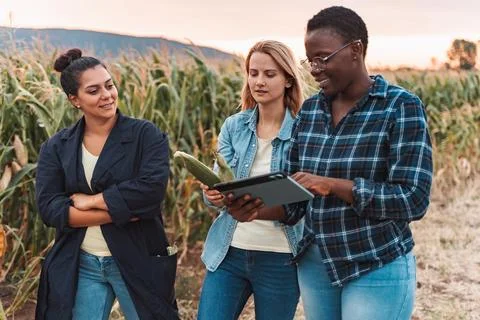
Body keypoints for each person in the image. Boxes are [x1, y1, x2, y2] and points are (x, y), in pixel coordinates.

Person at [224, 6, 433, 320]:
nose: (315, 69)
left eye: (323, 58)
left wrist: (334, 186)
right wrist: (254, 208)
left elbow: (413, 199)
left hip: (374, 260)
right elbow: (295, 200)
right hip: (317, 265)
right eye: (310, 60)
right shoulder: (310, 112)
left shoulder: (399, 107)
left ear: (355, 50)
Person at [35, 48, 178, 320]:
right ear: (74, 99)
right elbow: (50, 209)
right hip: (82, 262)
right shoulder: (56, 146)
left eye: (109, 85)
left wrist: (90, 201)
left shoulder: (145, 135)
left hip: (138, 258)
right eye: (94, 91)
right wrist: (124, 211)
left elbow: (151, 191)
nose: (107, 95)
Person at [197, 40, 304, 320]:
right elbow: (219, 183)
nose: (259, 81)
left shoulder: (305, 129)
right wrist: (212, 196)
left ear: (288, 80)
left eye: (270, 74)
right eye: (253, 73)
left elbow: (304, 195)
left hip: (281, 256)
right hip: (229, 252)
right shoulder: (234, 126)